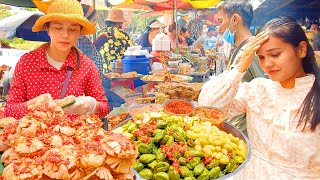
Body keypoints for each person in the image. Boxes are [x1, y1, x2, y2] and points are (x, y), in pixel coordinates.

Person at [199, 16, 320, 179]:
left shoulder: (315, 96)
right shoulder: (257, 89)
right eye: (261, 57)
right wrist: (240, 66)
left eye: (275, 54)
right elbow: (208, 107)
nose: (267, 64)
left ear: (301, 50)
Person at [5, 0, 109, 119]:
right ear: (47, 29)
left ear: (80, 32)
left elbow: (104, 107)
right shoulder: (27, 62)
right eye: (58, 28)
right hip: (34, 136)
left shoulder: (86, 66)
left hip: (75, 135)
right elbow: (10, 110)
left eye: (73, 29)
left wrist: (91, 105)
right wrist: (32, 104)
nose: (65, 35)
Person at [217, 0, 267, 132]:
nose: (219, 27)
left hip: (246, 130)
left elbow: (265, 94)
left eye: (220, 21)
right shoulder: (241, 49)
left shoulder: (253, 51)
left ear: (235, 20)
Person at [94, 8, 133, 73]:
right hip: (118, 72)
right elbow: (133, 50)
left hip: (103, 73)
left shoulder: (101, 33)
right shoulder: (122, 35)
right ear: (120, 22)